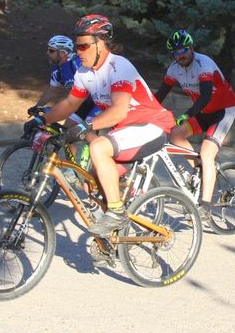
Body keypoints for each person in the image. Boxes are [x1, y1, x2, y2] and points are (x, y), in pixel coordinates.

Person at [43, 14, 175, 236]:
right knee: (92, 180)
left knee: (98, 147)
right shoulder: (84, 73)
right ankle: (110, 240)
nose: (78, 52)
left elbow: (119, 111)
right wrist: (43, 120)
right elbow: (70, 104)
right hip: (126, 130)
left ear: (101, 44)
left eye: (83, 46)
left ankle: (116, 212)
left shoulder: (119, 67)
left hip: (151, 125)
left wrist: (85, 127)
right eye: (77, 46)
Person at [154, 29, 235, 221]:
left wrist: (186, 115)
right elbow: (160, 95)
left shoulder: (204, 64)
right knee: (176, 135)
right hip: (204, 112)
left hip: (223, 111)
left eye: (184, 50)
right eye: (176, 53)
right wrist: (144, 111)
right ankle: (200, 167)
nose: (180, 55)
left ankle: (205, 207)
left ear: (191, 48)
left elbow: (206, 96)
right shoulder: (174, 69)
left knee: (207, 152)